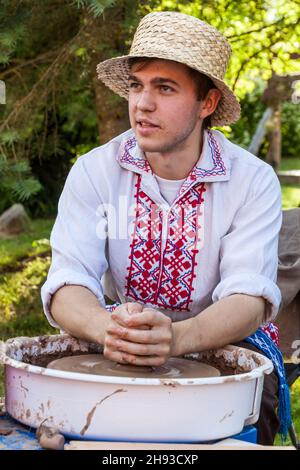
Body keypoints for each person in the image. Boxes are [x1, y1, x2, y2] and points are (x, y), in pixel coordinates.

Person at [41, 11, 291, 445]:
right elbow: (68, 281)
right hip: (120, 338)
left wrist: (177, 338)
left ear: (207, 103)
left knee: (238, 426)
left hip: (227, 344)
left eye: (166, 88)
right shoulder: (95, 171)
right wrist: (111, 331)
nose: (142, 104)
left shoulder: (251, 180)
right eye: (137, 85)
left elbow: (248, 296)